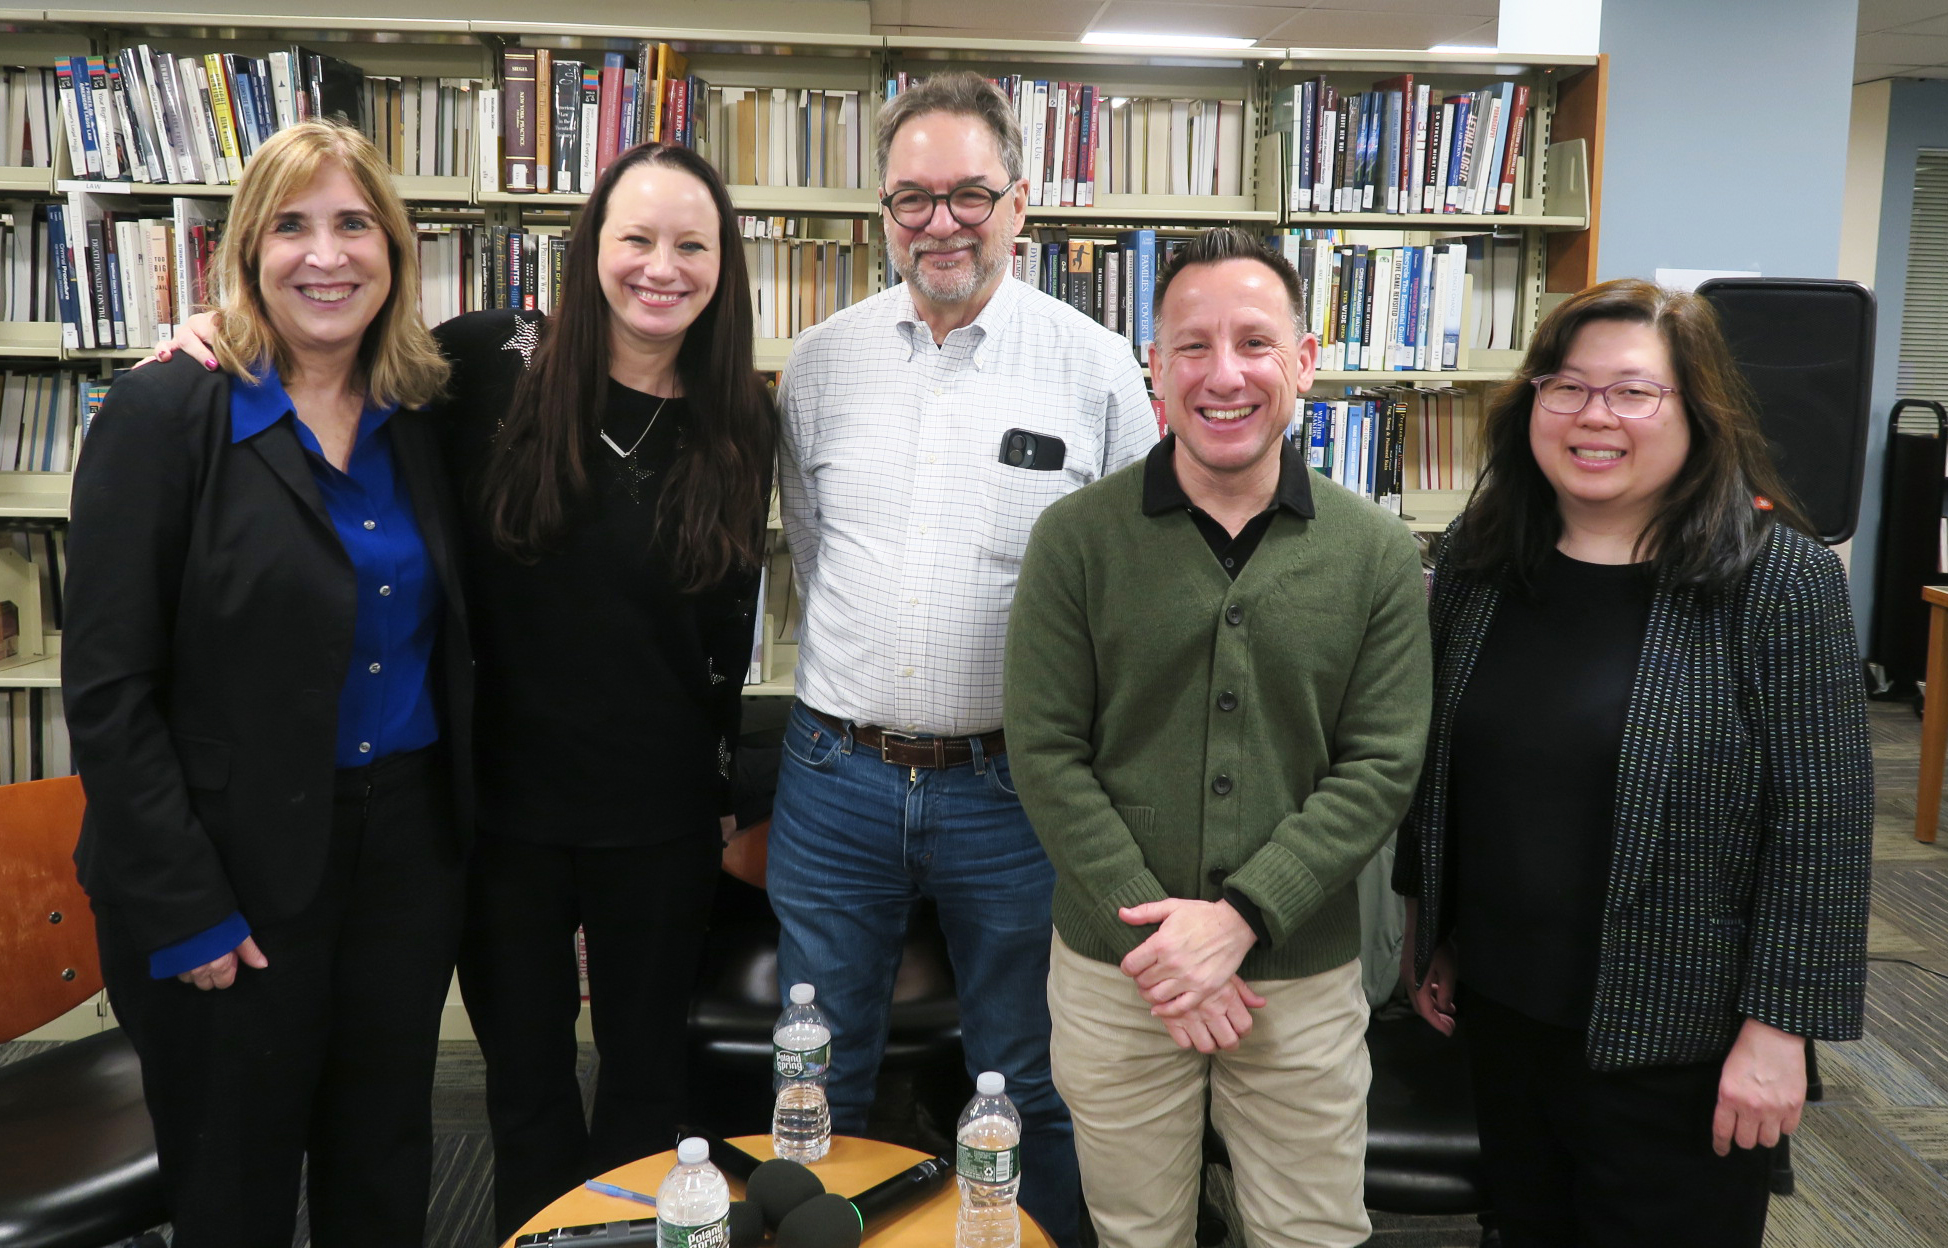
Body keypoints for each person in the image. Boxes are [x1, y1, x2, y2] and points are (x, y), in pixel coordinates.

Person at [145, 142, 774, 1240]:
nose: (660, 266)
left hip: (661, 818)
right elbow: (325, 385)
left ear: (726, 265)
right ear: (590, 252)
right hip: (495, 817)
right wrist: (218, 335)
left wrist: (720, 783)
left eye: (691, 244)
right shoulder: (481, 364)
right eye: (635, 238)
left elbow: (726, 628)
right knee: (523, 1092)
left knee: (644, 1094)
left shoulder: (740, 419)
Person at [1393, 278, 1873, 1247]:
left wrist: (1780, 1032)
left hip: (1683, 1040)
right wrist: (1440, 932)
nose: (1592, 416)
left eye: (1631, 392)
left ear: (1696, 410)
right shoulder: (1482, 566)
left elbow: (1822, 827)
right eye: (1564, 387)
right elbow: (1456, 782)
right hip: (1506, 1012)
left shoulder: (1776, 581)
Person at [66, 119, 474, 1247]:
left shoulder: (424, 412)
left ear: (394, 251)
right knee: (234, 1186)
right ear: (244, 251)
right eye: (291, 226)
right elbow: (106, 688)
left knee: (385, 1160)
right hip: (224, 871)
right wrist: (182, 907)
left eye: (354, 224)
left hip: (401, 859)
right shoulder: (164, 414)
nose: (325, 255)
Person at [771, 70, 1155, 1246]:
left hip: (1016, 791)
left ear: (1020, 203)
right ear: (880, 212)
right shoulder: (821, 364)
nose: (941, 222)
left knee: (1028, 1083)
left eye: (969, 194)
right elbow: (814, 549)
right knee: (816, 1080)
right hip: (835, 778)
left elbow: (1129, 595)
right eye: (912, 198)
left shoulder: (1095, 371)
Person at [1004, 228, 1431, 1248]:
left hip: (1298, 976)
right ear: (1153, 366)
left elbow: (1381, 767)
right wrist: (1165, 945)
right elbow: (1046, 751)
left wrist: (1240, 917)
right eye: (1191, 346)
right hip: (1120, 976)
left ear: (1305, 360)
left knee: (1312, 1233)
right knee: (1134, 1232)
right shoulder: (1077, 539)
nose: (1223, 373)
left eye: (1253, 341)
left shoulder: (1372, 551)